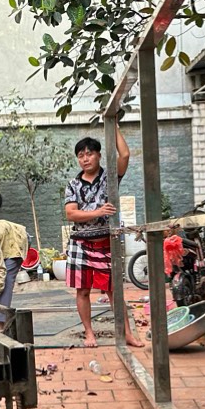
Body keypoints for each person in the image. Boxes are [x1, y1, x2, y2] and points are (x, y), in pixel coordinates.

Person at [63, 128, 144, 349]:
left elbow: (125, 155)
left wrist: (113, 125)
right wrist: (97, 212)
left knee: (114, 290)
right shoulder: (73, 184)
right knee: (83, 290)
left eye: (89, 153)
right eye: (80, 155)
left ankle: (127, 333)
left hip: (107, 242)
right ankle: (89, 333)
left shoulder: (109, 178)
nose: (85, 158)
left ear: (99, 155)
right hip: (80, 243)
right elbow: (71, 214)